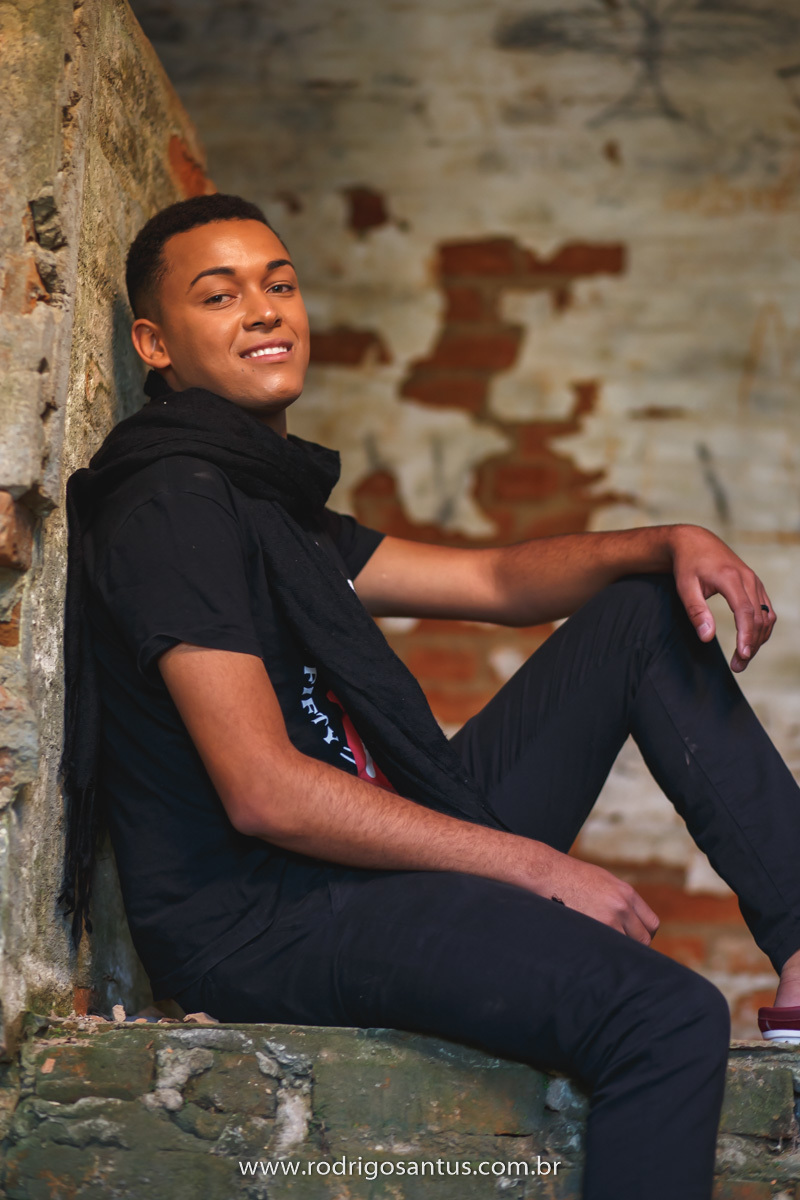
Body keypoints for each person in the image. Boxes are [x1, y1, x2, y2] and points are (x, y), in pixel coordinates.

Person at [59, 193, 800, 1200]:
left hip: (360, 865)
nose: (265, 310)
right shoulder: (172, 508)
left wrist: (667, 540)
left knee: (639, 614)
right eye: (219, 295)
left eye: (280, 284)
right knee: (665, 1017)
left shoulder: (266, 507)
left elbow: (493, 581)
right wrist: (535, 867)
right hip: (267, 920)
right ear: (155, 343)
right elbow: (264, 791)